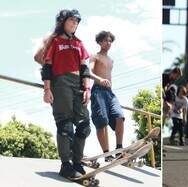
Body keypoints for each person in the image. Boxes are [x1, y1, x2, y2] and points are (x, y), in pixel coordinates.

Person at [39, 9, 91, 179]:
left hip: (78, 85)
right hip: (60, 84)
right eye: (71, 20)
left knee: (84, 126)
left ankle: (77, 161)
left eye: (77, 22)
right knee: (65, 125)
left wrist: (87, 89)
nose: (74, 24)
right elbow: (46, 68)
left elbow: (84, 69)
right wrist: (47, 89)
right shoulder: (54, 41)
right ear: (63, 22)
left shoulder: (79, 43)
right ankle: (66, 165)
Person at [89, 31, 125, 161]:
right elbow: (88, 71)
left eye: (110, 41)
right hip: (98, 91)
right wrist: (99, 79)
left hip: (110, 92)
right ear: (99, 42)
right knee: (102, 121)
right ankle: (106, 153)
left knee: (120, 117)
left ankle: (119, 149)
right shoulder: (95, 56)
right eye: (105, 40)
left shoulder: (111, 60)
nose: (108, 43)